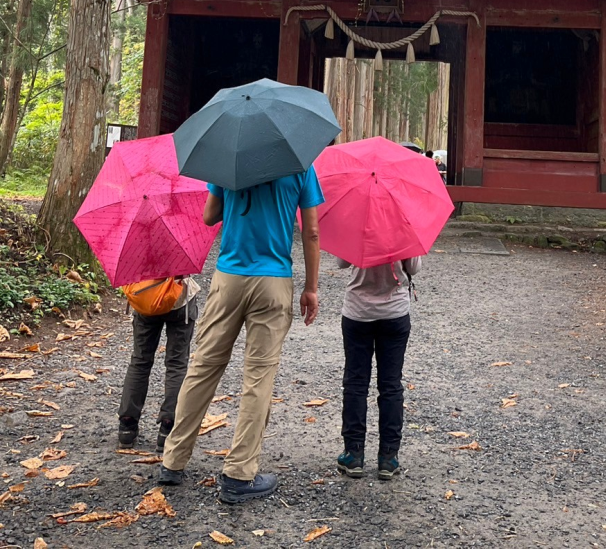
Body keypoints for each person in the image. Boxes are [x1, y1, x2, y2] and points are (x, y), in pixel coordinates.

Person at [157, 168, 323, 503]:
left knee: (203, 367)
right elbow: (312, 232)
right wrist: (311, 288)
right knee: (259, 378)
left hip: (229, 277)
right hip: (274, 279)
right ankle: (239, 474)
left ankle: (172, 461)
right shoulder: (300, 164)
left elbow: (209, 216)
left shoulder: (230, 160)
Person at [335, 255, 421, 481]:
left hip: (358, 312)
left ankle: (353, 454)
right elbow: (414, 267)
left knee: (355, 383)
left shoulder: (354, 222)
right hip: (394, 313)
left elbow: (342, 263)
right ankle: (388, 457)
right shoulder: (404, 225)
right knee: (391, 385)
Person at [118, 277, 199, 450]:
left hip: (145, 296)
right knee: (177, 364)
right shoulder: (184, 249)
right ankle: (168, 427)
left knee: (140, 361)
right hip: (179, 300)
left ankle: (127, 423)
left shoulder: (136, 248)